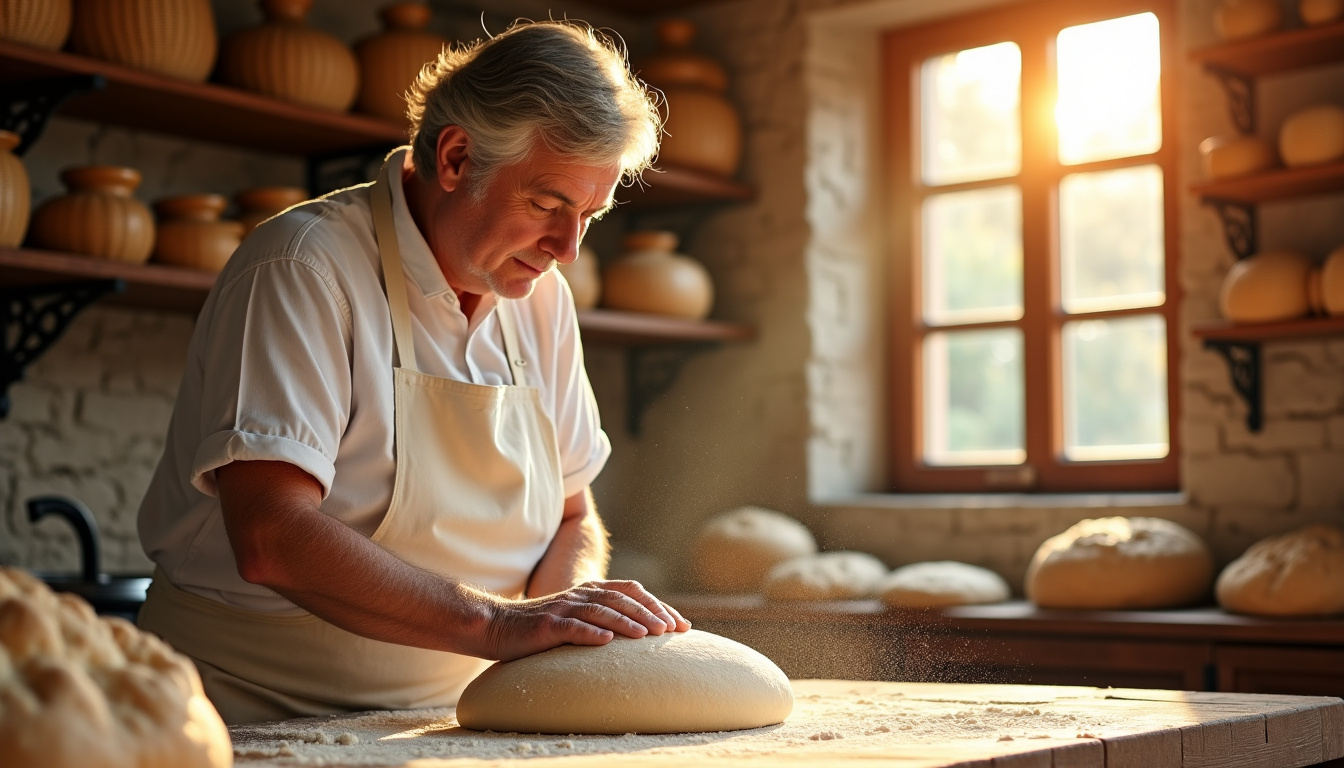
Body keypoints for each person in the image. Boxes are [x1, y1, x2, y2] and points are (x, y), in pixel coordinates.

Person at [136, 20, 689, 726]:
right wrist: (499, 627)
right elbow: (271, 535)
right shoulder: (304, 267)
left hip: (467, 713)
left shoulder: (542, 299)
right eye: (548, 205)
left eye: (589, 214)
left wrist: (566, 636)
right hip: (252, 711)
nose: (567, 248)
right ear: (457, 158)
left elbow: (572, 515)